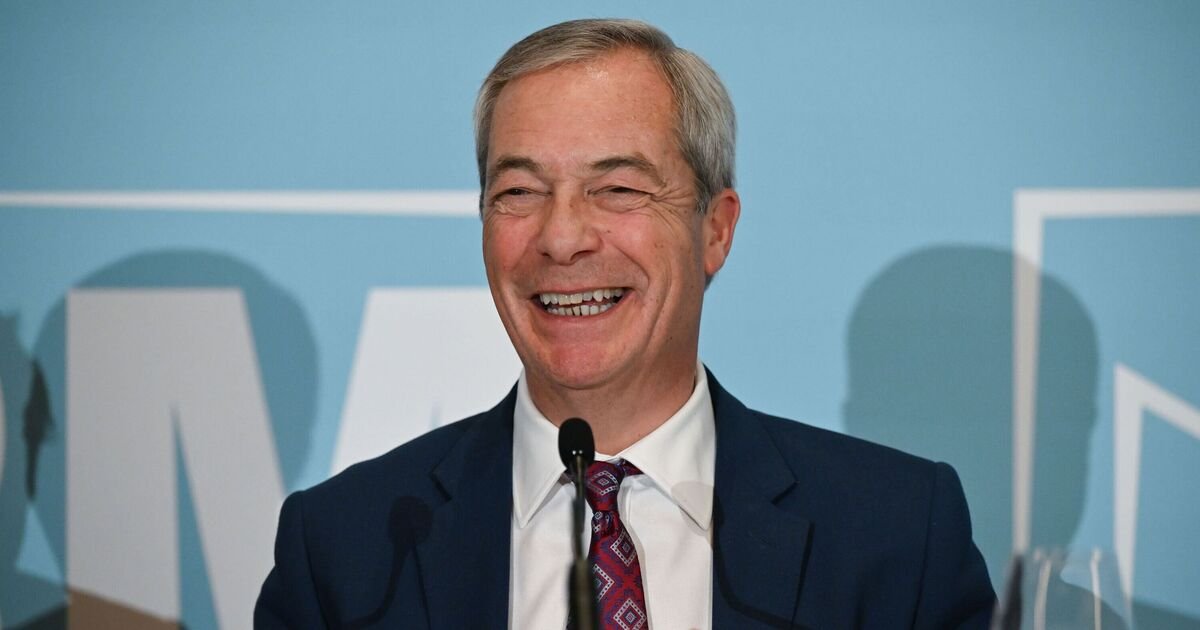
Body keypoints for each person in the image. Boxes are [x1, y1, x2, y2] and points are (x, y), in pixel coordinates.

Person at [255, 18, 995, 629]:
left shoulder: (896, 536)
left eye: (616, 188)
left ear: (715, 229)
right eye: (519, 192)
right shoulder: (346, 549)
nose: (561, 238)